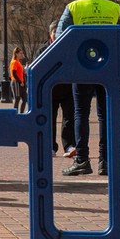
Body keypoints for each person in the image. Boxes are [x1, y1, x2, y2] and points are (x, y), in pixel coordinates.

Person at [58, 0, 120, 177]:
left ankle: (82, 160)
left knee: (81, 114)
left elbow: (60, 39)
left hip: (81, 66)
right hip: (109, 69)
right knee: (105, 115)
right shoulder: (114, 8)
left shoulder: (74, 7)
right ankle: (106, 161)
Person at [48, 23, 75, 156]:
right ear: (50, 34)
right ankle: (50, 147)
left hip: (68, 90)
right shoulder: (43, 50)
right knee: (50, 119)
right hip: (50, 91)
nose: (57, 33)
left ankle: (69, 146)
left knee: (69, 120)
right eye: (54, 31)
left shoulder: (70, 48)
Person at [9, 47, 27, 113]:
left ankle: (21, 112)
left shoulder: (18, 62)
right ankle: (15, 113)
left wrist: (23, 72)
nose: (22, 55)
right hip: (16, 82)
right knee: (17, 98)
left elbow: (19, 72)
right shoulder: (14, 62)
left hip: (21, 82)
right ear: (16, 54)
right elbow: (14, 73)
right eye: (20, 53)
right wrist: (19, 82)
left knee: (25, 99)